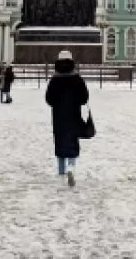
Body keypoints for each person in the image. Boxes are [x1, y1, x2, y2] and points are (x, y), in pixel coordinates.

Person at [44, 50, 89, 187]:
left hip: (59, 117)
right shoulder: (77, 78)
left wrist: (58, 104)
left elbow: (48, 99)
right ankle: (71, 167)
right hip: (73, 115)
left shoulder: (55, 79)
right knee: (72, 141)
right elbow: (84, 98)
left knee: (60, 141)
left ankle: (61, 171)